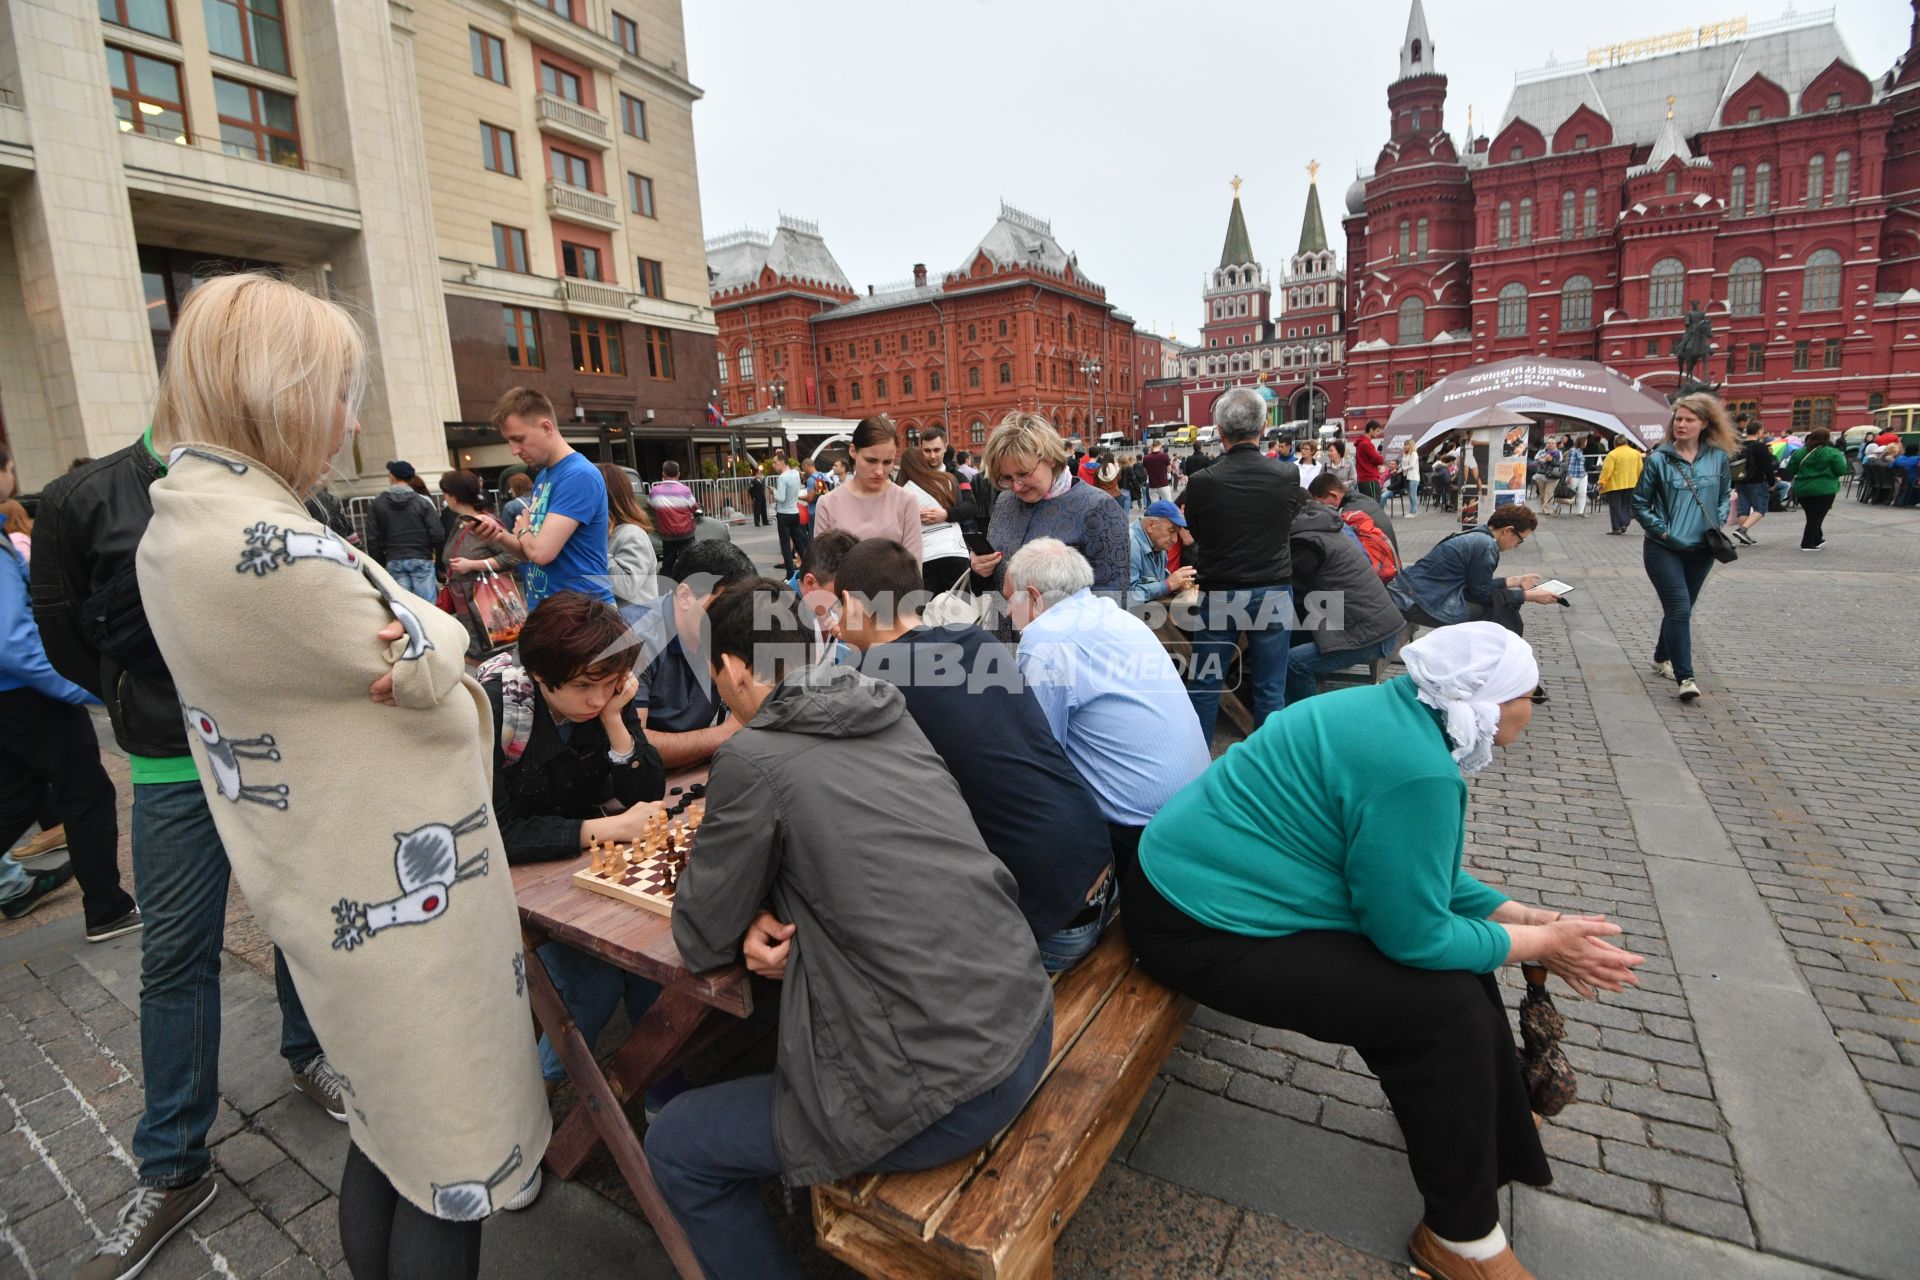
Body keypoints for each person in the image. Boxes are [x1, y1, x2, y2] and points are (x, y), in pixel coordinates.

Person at [132, 273, 547, 1280]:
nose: (349, 419)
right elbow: (427, 643)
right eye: (334, 392)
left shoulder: (197, 511)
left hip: (351, 887)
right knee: (448, 1153)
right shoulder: (249, 539)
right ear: (272, 388)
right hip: (407, 918)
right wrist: (445, 630)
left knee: (389, 1134)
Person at [1125, 622, 1644, 1280]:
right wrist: (1541, 943)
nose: (1531, 709)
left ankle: (1486, 1123)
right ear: (1485, 701)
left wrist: (1525, 917)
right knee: (1441, 1008)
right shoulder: (1418, 770)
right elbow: (1414, 934)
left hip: (1214, 886)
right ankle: (1459, 1241)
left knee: (1457, 977)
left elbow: (1416, 877)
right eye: (1529, 694)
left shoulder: (1397, 714)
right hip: (1197, 923)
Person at [645, 580, 1054, 1279]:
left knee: (677, 1146)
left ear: (735, 670)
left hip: (947, 1088)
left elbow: (700, 936)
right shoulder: (885, 709)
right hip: (1022, 1017)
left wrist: (739, 917)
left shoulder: (753, 757)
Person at [34, 431, 347, 1280]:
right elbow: (67, 644)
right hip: (173, 761)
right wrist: (141, 702)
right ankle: (173, 1167)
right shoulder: (84, 498)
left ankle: (308, 1052)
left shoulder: (282, 486)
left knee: (298, 920)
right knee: (176, 955)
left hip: (283, 748)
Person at [836, 538, 1117, 966]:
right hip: (1099, 865)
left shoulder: (872, 684)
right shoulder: (974, 639)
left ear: (851, 605)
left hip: (1053, 921)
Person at [481, 592, 667, 1095]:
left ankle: (658, 1088)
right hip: (509, 879)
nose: (596, 698)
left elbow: (647, 789)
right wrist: (601, 829)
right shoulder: (496, 704)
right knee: (594, 985)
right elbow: (492, 829)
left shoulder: (606, 695)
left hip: (577, 870)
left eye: (608, 686)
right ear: (542, 675)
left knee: (655, 965)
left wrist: (615, 721)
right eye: (584, 687)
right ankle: (532, 1097)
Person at [1007, 539, 1209, 886]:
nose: (1008, 612)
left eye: (1009, 600)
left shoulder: (1044, 638)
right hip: (1197, 801)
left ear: (1034, 596)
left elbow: (1041, 753)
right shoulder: (1111, 612)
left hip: (1140, 828)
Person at [0, 441, 137, 939]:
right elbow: (13, 641)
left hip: (12, 694)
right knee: (86, 793)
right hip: (26, 693)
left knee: (16, 797)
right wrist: (77, 686)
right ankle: (107, 908)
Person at [1181, 386, 1304, 743]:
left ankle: (1197, 765)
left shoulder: (1202, 482)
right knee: (1270, 690)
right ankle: (1266, 771)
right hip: (1272, 586)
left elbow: (1197, 533)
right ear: (1264, 429)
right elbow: (1285, 524)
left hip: (1221, 591)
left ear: (1219, 432)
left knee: (1205, 684)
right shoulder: (1287, 476)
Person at [967, 411, 1130, 607]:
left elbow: (1112, 599)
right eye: (1006, 478)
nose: (1016, 486)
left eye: (1024, 473)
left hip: (1062, 636)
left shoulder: (1098, 508)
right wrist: (980, 570)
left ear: (1051, 458)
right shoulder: (1005, 501)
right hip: (1002, 631)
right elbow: (995, 582)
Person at [622, 539, 759, 768]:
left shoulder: (732, 627)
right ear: (685, 596)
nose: (736, 620)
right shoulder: (634, 638)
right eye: (725, 608)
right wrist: (725, 734)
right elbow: (633, 747)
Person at [1632, 393, 1734, 701]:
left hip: (1703, 548)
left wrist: (1715, 524)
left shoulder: (1717, 457)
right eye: (1678, 418)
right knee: (1677, 607)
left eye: (1689, 419)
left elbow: (1723, 494)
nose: (1682, 424)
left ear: (1705, 423)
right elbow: (1639, 503)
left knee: (1683, 607)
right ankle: (1685, 676)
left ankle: (1662, 655)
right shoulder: (1659, 459)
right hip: (1664, 548)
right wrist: (1663, 533)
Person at [473, 388, 612, 608]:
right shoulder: (544, 476)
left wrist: (524, 531)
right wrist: (498, 535)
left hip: (583, 617)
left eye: (519, 439)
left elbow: (540, 552)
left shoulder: (578, 475)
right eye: (509, 441)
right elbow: (530, 552)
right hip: (555, 615)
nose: (514, 450)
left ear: (546, 427)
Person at [1286, 495, 1408, 703]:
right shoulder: (1323, 526)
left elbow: (1292, 589)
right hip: (1372, 622)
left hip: (1370, 634)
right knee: (1291, 634)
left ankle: (1303, 718)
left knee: (1295, 662)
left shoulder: (1307, 540)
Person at [1392, 505, 1559, 645]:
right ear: (1508, 531)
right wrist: (1526, 596)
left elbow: (1476, 587)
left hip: (1412, 595)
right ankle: (1492, 664)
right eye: (1520, 540)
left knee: (1497, 607)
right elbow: (1481, 595)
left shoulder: (1479, 535)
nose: (1517, 545)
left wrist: (1514, 581)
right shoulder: (1485, 546)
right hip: (1416, 602)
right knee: (1497, 613)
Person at [439, 469, 525, 658]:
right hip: (468, 606)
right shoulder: (461, 522)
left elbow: (512, 556)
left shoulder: (483, 524)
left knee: (492, 657)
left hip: (485, 604)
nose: (445, 498)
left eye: (446, 493)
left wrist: (473, 565)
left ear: (454, 496)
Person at [814, 418, 923, 560]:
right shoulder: (827, 504)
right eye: (871, 460)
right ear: (853, 451)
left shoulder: (906, 501)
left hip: (896, 582)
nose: (879, 471)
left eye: (887, 462)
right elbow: (822, 569)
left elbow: (913, 568)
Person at [898, 424, 973, 592]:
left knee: (959, 609)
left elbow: (971, 507)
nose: (933, 456)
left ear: (945, 448)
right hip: (927, 555)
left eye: (937, 450)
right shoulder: (908, 482)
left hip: (954, 548)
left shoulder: (956, 476)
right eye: (927, 451)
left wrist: (946, 514)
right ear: (920, 450)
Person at [367, 460, 442, 602]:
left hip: (393, 558)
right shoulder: (423, 502)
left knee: (403, 604)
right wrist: (440, 563)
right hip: (421, 557)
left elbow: (373, 538)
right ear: (412, 479)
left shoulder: (377, 503)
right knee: (428, 606)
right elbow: (437, 534)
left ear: (392, 477)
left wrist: (379, 562)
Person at [597, 462, 659, 607]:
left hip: (636, 626)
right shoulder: (606, 533)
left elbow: (626, 586)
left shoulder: (632, 534)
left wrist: (593, 547)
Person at [792, 529, 858, 665]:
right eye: (840, 598)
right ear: (810, 584)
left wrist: (856, 640)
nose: (848, 605)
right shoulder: (774, 622)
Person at [1781, 426, 1848, 552]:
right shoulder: (1832, 452)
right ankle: (1807, 543)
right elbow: (1841, 470)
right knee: (1816, 517)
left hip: (1803, 489)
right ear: (1827, 439)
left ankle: (1817, 538)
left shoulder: (1800, 452)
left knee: (1812, 515)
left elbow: (1791, 469)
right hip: (1825, 489)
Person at [1129, 500, 1196, 609]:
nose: (1175, 539)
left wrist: (1178, 584)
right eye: (1171, 531)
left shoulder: (1158, 543)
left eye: (1177, 532)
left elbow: (1160, 577)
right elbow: (1129, 596)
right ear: (1151, 525)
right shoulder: (1130, 544)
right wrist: (1168, 585)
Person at [648, 461, 699, 579]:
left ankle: (667, 586)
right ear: (678, 473)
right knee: (688, 561)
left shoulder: (655, 491)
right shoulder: (685, 490)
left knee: (668, 562)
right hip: (686, 533)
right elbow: (694, 506)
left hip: (667, 534)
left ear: (663, 473)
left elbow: (651, 505)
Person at [1728, 421, 1777, 545]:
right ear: (1759, 431)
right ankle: (1743, 530)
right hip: (1757, 481)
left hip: (1740, 481)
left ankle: (1743, 536)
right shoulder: (1761, 447)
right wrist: (1772, 482)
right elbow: (1767, 467)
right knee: (1760, 508)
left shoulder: (1738, 446)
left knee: (1743, 509)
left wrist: (1732, 483)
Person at [1599, 437, 1644, 534]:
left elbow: (1607, 470)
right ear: (1626, 442)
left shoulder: (1613, 454)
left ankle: (1617, 527)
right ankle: (1624, 523)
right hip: (1632, 484)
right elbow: (1640, 470)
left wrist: (1602, 482)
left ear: (1615, 444)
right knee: (1626, 505)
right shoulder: (1636, 453)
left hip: (1615, 485)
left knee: (1615, 507)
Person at [770, 454, 803, 572]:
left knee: (785, 545)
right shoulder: (795, 473)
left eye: (775, 463)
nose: (773, 465)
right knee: (799, 543)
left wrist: (773, 491)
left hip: (784, 513)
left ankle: (790, 573)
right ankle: (807, 569)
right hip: (795, 512)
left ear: (783, 462)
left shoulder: (782, 478)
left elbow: (781, 497)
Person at [1354, 421, 1388, 498]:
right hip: (1369, 479)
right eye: (1377, 431)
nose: (1378, 433)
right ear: (1371, 430)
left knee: (1368, 505)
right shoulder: (1367, 444)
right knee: (1374, 504)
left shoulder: (1361, 443)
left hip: (1363, 479)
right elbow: (1379, 459)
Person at [1563, 435, 1589, 517]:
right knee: (1568, 493)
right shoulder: (1573, 450)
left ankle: (1580, 512)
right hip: (1574, 475)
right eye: (1585, 441)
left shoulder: (1580, 451)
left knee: (1582, 493)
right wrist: (1569, 476)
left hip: (1582, 475)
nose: (1586, 443)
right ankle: (1556, 507)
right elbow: (1570, 463)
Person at [1144, 440, 1175, 504]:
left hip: (1152, 485)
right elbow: (1169, 470)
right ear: (1159, 446)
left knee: (1155, 505)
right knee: (1168, 504)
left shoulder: (1146, 458)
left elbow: (1145, 472)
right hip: (1163, 484)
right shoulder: (1164, 456)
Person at [1399, 441, 1421, 517]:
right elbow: (1403, 465)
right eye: (1404, 445)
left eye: (1407, 445)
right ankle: (1412, 510)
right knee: (1410, 495)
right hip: (1407, 476)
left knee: (1413, 494)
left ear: (1411, 445)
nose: (1405, 446)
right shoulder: (1405, 454)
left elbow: (1412, 465)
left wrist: (1403, 468)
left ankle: (1413, 512)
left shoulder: (1414, 454)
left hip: (1413, 477)